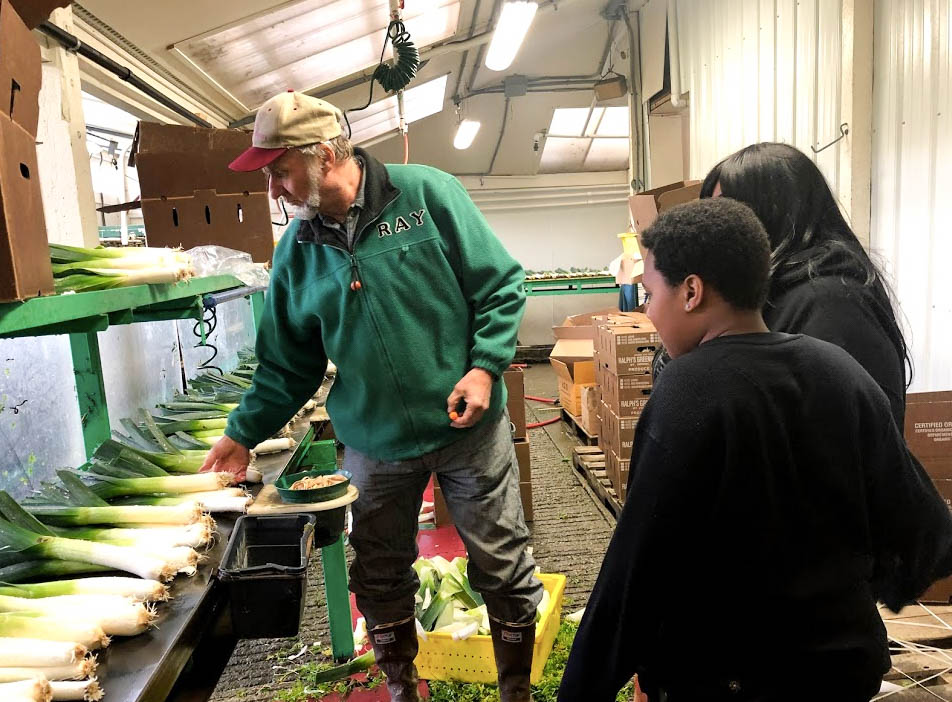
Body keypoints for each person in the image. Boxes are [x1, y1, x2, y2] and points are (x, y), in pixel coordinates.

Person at [201, 91, 542, 702]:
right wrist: (241, 433)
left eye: (280, 171)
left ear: (327, 154)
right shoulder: (295, 255)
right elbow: (285, 364)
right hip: (373, 442)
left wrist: (486, 367)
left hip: (467, 430)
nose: (273, 190)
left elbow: (500, 285)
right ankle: (403, 690)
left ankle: (516, 691)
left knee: (502, 562)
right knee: (379, 572)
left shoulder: (427, 196)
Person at [559, 198, 952, 702]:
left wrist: (584, 687)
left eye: (651, 293)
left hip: (731, 675)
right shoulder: (838, 369)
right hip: (844, 667)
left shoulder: (689, 390)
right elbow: (919, 523)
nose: (647, 312)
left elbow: (639, 567)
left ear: (692, 292)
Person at [699, 142, 909, 425]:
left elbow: (837, 440)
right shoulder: (772, 293)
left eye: (725, 213)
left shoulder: (829, 304)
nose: (712, 230)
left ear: (772, 212)